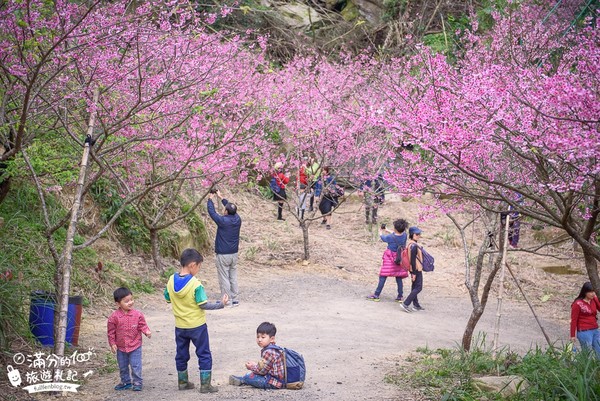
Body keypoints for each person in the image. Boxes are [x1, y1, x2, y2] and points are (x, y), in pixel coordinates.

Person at [164, 248, 228, 392]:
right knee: (203, 353)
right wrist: (221, 304)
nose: (199, 269)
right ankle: (205, 385)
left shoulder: (170, 280)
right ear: (193, 265)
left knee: (181, 354)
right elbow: (203, 304)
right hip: (197, 326)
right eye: (199, 266)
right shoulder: (196, 284)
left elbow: (168, 298)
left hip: (180, 326)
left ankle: (182, 382)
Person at [107, 287, 152, 392]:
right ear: (118, 304)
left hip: (135, 345)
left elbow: (142, 325)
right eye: (126, 301)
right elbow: (111, 332)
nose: (130, 302)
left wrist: (147, 331)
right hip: (121, 347)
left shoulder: (138, 315)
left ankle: (137, 382)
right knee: (122, 366)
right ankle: (125, 382)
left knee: (136, 365)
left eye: (131, 299)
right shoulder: (114, 317)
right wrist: (112, 343)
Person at [207, 189, 242, 307]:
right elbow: (230, 207)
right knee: (233, 275)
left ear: (226, 211)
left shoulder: (223, 221)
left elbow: (212, 213)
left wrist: (210, 199)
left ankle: (226, 300)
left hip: (223, 254)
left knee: (224, 277)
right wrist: (221, 197)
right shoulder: (237, 219)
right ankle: (235, 299)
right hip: (234, 254)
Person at [229, 322, 285, 390]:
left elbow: (262, 372)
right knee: (251, 374)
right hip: (276, 379)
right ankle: (243, 379)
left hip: (273, 383)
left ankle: (243, 380)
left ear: (272, 339)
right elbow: (267, 367)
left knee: (249, 376)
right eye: (258, 337)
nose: (259, 340)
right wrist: (256, 365)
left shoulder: (269, 352)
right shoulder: (273, 348)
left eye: (263, 337)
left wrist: (251, 367)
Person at [366, 219, 408, 302]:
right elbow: (396, 234)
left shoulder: (390, 237)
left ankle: (376, 295)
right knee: (399, 277)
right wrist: (387, 229)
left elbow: (383, 238)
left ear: (395, 228)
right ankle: (400, 296)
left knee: (383, 276)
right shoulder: (405, 235)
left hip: (390, 259)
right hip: (400, 259)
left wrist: (381, 231)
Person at [399, 227, 425, 313]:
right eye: (416, 234)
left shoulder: (411, 244)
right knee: (418, 287)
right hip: (416, 269)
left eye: (419, 234)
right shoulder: (413, 246)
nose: (418, 236)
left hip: (413, 269)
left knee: (414, 286)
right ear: (412, 235)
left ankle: (416, 305)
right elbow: (413, 261)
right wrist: (414, 273)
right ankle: (406, 303)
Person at [570, 282, 600, 356]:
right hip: (584, 331)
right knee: (587, 354)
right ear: (585, 292)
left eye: (593, 292)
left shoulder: (594, 300)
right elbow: (574, 320)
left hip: (595, 330)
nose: (592, 294)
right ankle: (585, 367)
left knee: (598, 351)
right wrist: (572, 335)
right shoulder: (578, 304)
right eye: (590, 292)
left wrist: (596, 299)